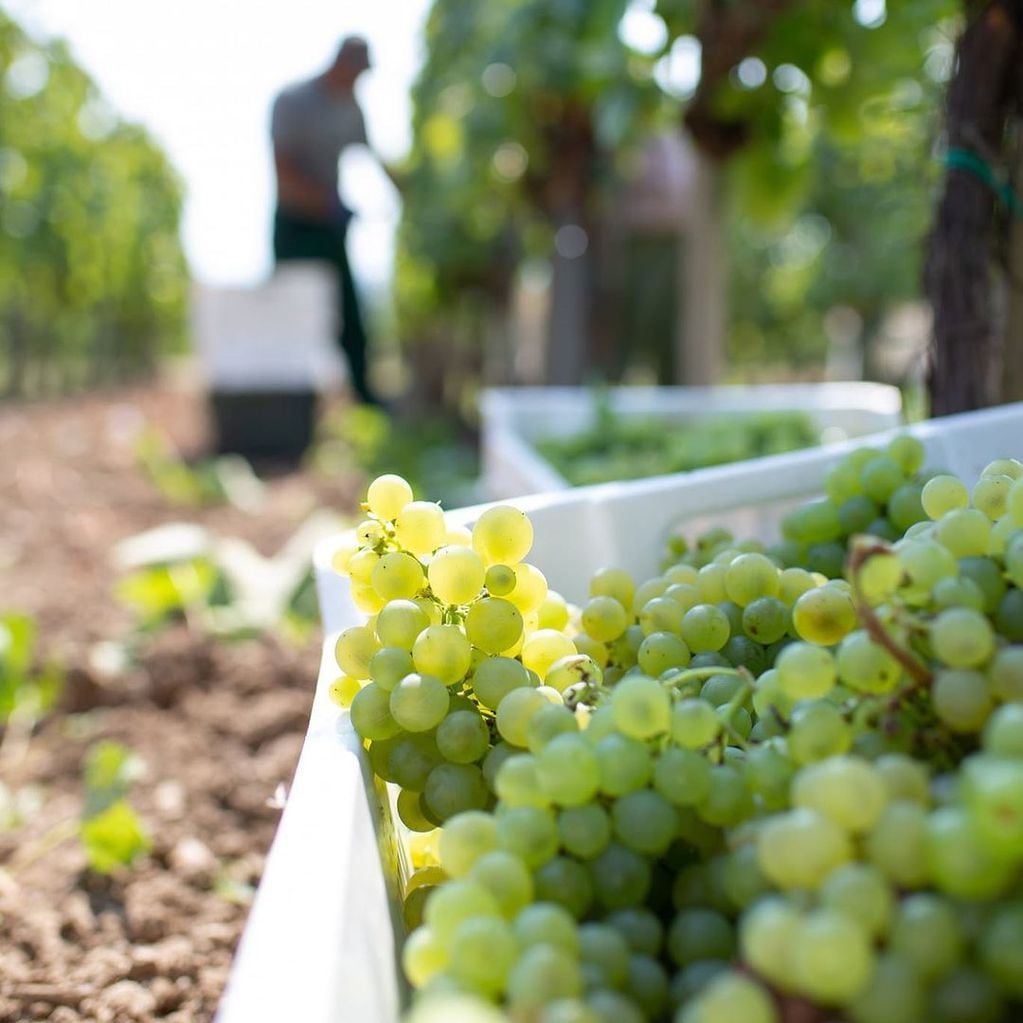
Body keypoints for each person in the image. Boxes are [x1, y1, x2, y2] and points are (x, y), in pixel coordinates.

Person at [270, 36, 399, 405]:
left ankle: (363, 398)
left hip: (330, 226)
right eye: (356, 73)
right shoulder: (292, 102)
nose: (358, 82)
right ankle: (291, 401)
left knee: (349, 315)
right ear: (341, 63)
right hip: (294, 224)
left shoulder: (350, 108)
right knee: (293, 312)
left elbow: (373, 157)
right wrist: (324, 202)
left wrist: (407, 189)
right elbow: (284, 173)